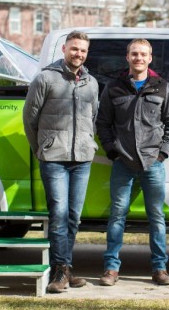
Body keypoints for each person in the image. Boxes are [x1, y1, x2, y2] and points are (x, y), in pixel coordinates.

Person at [95, 38, 169, 286]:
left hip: (153, 162)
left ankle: (159, 268)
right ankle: (111, 269)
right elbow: (103, 122)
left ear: (150, 58)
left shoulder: (162, 87)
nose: (138, 58)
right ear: (127, 57)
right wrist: (112, 151)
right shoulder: (114, 87)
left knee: (156, 216)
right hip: (123, 162)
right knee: (117, 215)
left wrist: (162, 152)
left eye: (143, 54)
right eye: (134, 54)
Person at [23, 30, 98, 294]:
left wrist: (88, 142)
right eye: (74, 49)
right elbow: (29, 119)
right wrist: (41, 148)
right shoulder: (45, 78)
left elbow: (93, 118)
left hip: (82, 159)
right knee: (58, 215)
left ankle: (66, 268)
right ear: (65, 49)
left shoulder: (91, 83)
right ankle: (60, 270)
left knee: (74, 217)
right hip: (54, 158)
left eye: (83, 50)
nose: (79, 54)